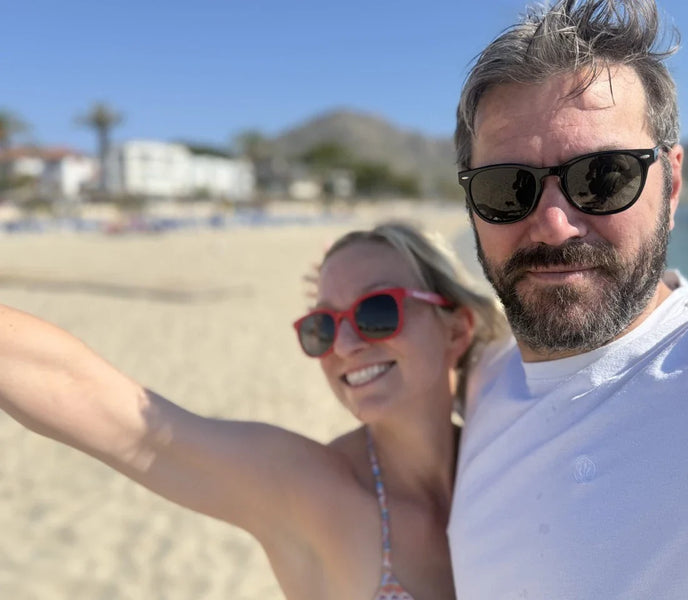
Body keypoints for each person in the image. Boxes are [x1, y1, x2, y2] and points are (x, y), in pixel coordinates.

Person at [448, 1, 688, 598]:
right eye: (508, 188)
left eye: (604, 176)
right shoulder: (478, 377)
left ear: (673, 184)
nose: (555, 225)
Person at [0, 221, 506, 600]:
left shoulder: (513, 460)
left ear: (456, 328)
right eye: (322, 327)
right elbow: (102, 406)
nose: (346, 344)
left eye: (376, 311)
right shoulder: (311, 489)